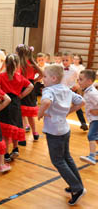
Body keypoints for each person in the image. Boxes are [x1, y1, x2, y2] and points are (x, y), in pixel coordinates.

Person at [38, 64, 86, 206]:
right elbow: (81, 102)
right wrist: (68, 112)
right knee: (67, 158)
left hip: (55, 131)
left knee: (58, 161)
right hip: (64, 129)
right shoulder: (66, 89)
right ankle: (77, 185)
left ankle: (77, 188)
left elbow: (46, 101)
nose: (43, 79)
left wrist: (40, 114)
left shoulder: (49, 90)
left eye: (45, 76)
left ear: (53, 78)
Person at [0, 54, 34, 162]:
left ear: (6, 64)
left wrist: (0, 95)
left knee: (6, 131)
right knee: (15, 127)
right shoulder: (19, 77)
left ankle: (6, 153)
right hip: (16, 103)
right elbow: (31, 86)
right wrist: (21, 95)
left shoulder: (1, 76)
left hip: (5, 102)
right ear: (17, 65)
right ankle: (15, 148)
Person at [16, 44, 43, 144]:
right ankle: (35, 133)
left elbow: (17, 77)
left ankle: (22, 138)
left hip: (22, 88)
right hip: (31, 88)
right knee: (30, 114)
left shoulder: (20, 64)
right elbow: (42, 74)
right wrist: (34, 80)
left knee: (21, 114)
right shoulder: (32, 63)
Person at [61, 51, 88, 131]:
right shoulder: (59, 69)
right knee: (63, 107)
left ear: (71, 61)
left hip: (71, 90)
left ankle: (83, 123)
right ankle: (61, 122)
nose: (64, 62)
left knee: (78, 105)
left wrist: (77, 86)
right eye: (63, 60)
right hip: (61, 91)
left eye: (67, 60)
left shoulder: (74, 70)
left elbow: (78, 80)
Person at [78, 69, 98, 165]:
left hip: (96, 119)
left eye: (81, 79)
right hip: (93, 119)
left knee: (91, 136)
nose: (78, 81)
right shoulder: (88, 90)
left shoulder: (92, 93)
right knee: (96, 137)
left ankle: (92, 157)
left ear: (89, 81)